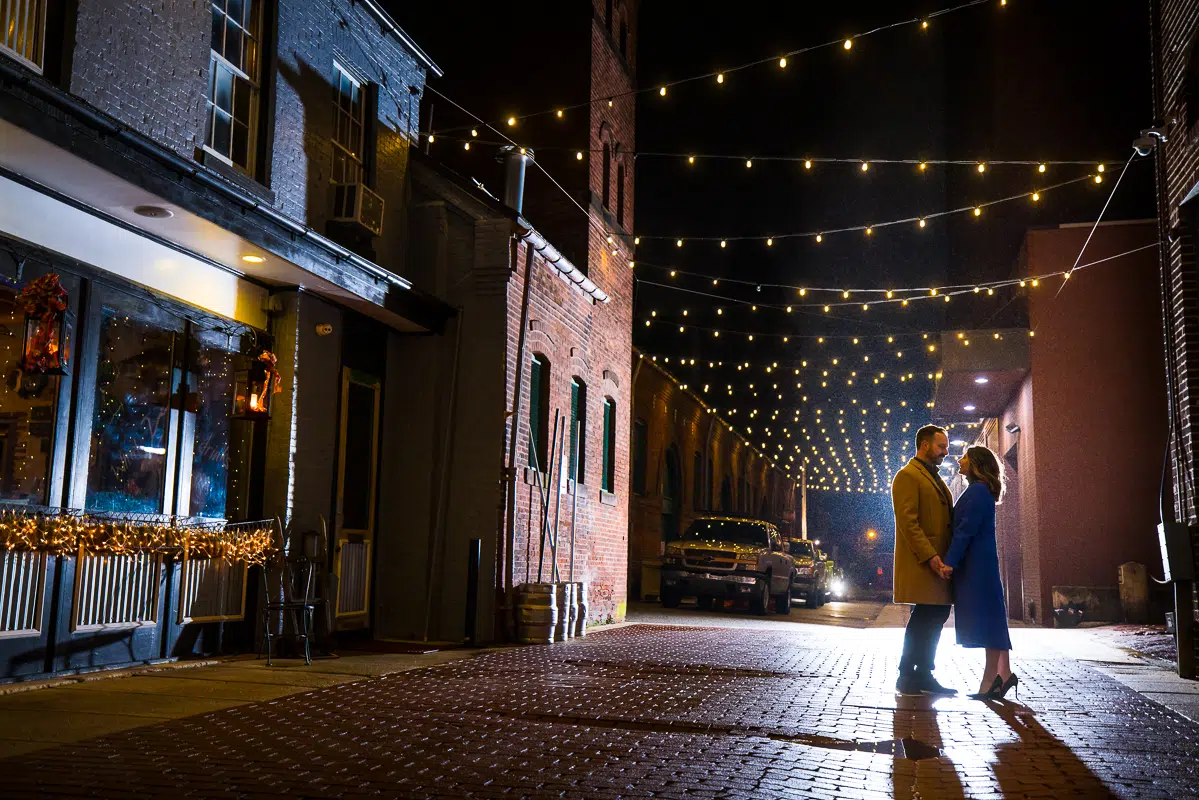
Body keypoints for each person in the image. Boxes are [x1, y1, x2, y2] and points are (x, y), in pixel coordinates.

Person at [945, 445, 1017, 699]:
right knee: (993, 615)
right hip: (981, 563)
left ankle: (991, 681)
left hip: (976, 566)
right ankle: (1004, 674)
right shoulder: (980, 491)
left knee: (988, 619)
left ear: (975, 463)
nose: (959, 460)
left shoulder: (977, 491)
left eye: (964, 456)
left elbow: (965, 530)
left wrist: (949, 562)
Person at [891, 424, 957, 695]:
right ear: (925, 444)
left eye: (947, 447)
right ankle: (908, 674)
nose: (945, 452)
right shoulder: (907, 476)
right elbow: (909, 523)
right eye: (941, 446)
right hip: (924, 563)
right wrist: (930, 557)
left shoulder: (933, 476)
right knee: (925, 616)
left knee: (935, 614)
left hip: (937, 563)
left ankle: (921, 673)